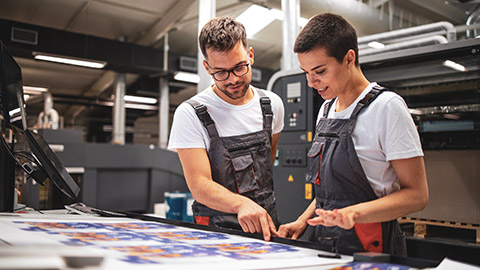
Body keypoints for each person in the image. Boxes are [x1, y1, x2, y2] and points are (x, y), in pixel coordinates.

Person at [277, 13, 429, 255]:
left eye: (320, 71)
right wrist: (302, 221)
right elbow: (332, 195)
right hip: (324, 245)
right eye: (306, 72)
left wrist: (355, 214)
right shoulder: (325, 111)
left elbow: (417, 196)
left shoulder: (387, 107)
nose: (310, 82)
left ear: (349, 58)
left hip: (370, 246)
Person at [168, 16, 285, 241]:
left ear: (250, 55)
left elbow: (267, 164)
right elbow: (199, 186)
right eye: (220, 72)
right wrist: (242, 204)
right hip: (215, 229)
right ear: (206, 66)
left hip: (266, 224)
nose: (232, 79)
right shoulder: (191, 113)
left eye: (239, 67)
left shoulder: (271, 105)